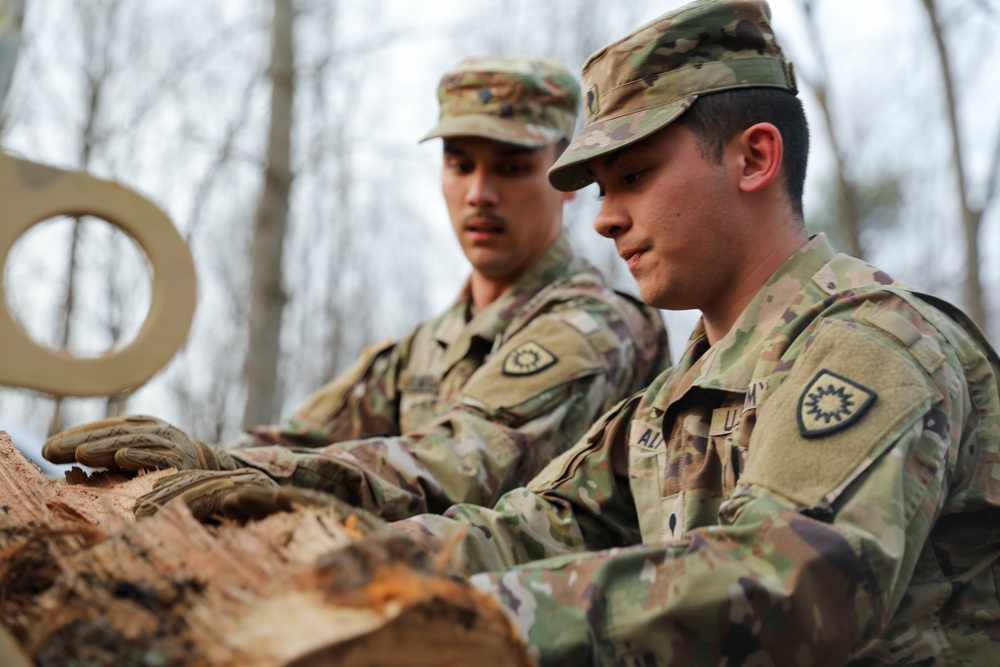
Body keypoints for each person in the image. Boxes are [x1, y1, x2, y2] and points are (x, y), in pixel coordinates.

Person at [385, 1, 1000, 664]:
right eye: (599, 189)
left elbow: (782, 582)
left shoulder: (875, 344)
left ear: (754, 157)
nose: (605, 220)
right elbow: (527, 530)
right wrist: (343, 573)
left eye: (635, 176)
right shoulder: (670, 406)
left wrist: (450, 622)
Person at [43, 56, 670, 522]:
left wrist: (224, 468)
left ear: (563, 179)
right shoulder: (423, 348)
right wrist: (170, 458)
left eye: (510, 167)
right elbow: (295, 441)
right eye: (460, 164)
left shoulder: (599, 325)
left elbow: (458, 467)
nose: (480, 192)